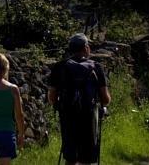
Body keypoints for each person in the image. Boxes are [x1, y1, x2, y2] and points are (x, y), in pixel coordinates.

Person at [47, 33, 112, 165]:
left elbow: (52, 97)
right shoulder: (96, 67)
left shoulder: (60, 67)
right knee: (87, 157)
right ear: (86, 48)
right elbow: (105, 99)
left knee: (70, 156)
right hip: (89, 116)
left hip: (68, 115)